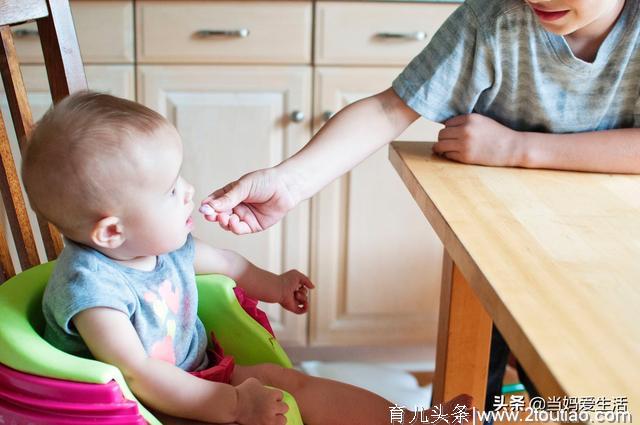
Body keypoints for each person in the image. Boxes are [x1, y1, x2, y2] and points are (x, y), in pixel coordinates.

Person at [198, 0, 640, 414]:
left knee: (581, 387)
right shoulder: (492, 19)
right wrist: (291, 182)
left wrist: (517, 148)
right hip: (497, 244)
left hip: (607, 255)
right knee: (477, 383)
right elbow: (391, 109)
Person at [22, 92, 471, 425]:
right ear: (112, 231)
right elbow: (137, 376)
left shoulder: (162, 246)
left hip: (196, 374)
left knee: (289, 381)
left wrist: (275, 285)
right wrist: (235, 406)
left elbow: (230, 264)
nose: (188, 191)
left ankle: (414, 421)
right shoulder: (95, 293)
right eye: (169, 190)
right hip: (139, 409)